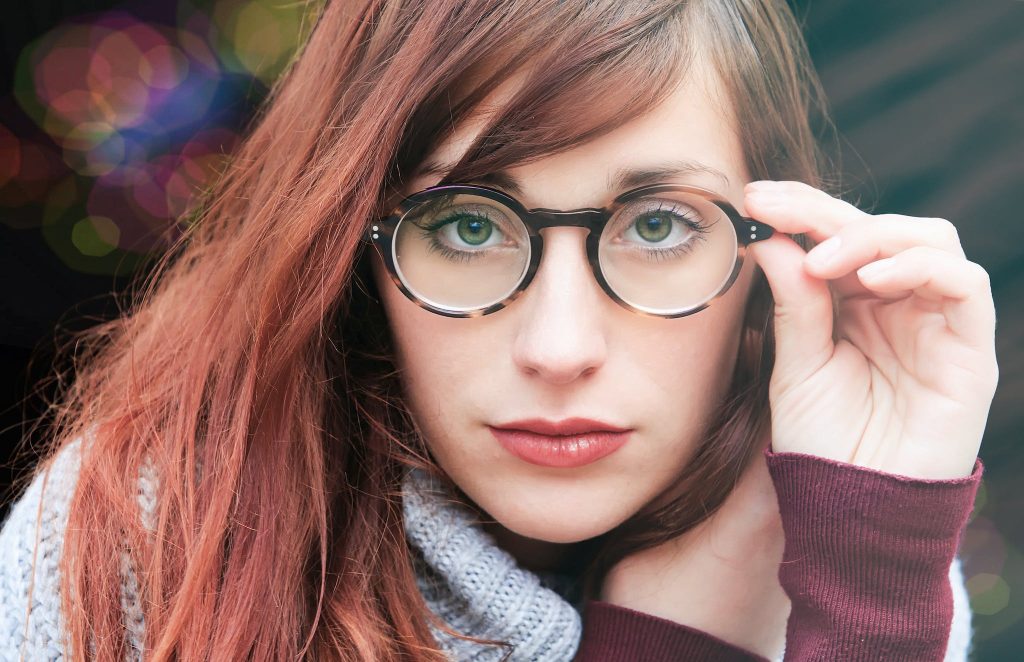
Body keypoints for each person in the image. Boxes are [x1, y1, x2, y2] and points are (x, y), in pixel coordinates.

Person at [0, 0, 998, 660]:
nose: (558, 347)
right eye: (466, 225)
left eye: (657, 225)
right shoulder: (143, 532)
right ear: (352, 244)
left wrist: (870, 571)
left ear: (768, 246)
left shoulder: (857, 546)